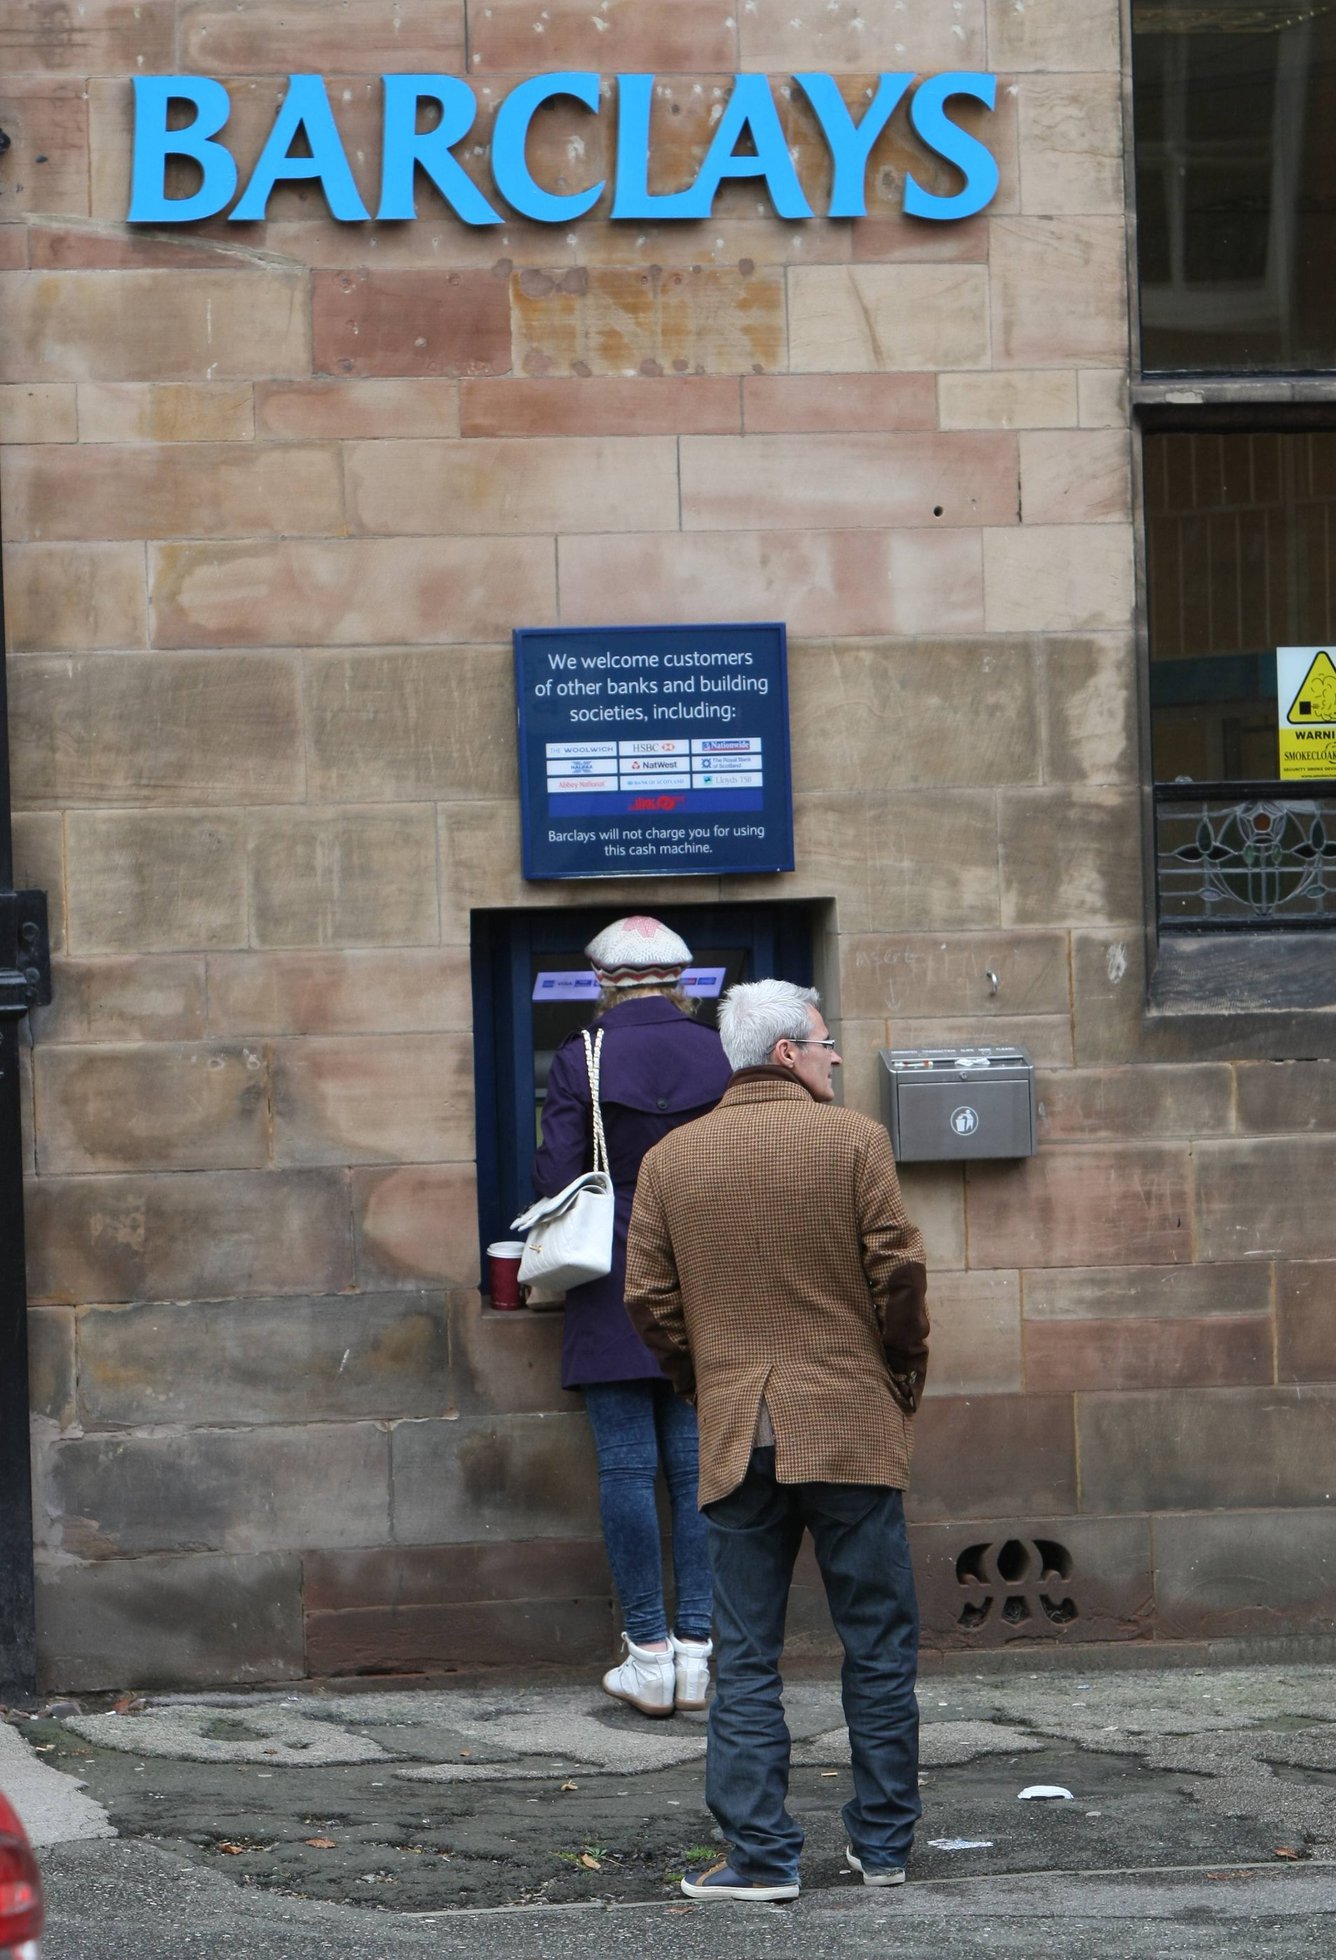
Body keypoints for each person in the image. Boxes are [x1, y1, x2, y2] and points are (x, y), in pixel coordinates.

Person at [624, 978, 929, 1902]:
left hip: (735, 1435)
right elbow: (899, 1273)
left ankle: (759, 1860)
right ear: (788, 1052)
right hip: (851, 1429)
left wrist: (702, 1383)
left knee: (746, 1654)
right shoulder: (855, 1142)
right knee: (877, 1643)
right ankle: (882, 1849)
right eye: (827, 1041)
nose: (837, 1055)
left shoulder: (673, 1161)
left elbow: (648, 1299)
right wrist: (900, 1377)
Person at [532, 915, 732, 1718]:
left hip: (611, 1279)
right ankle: (699, 1657)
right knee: (695, 1472)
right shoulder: (724, 1053)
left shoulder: (580, 1055)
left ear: (603, 981)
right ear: (683, 982)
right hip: (704, 1281)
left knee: (624, 1468)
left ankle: (646, 1655)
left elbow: (555, 1173)